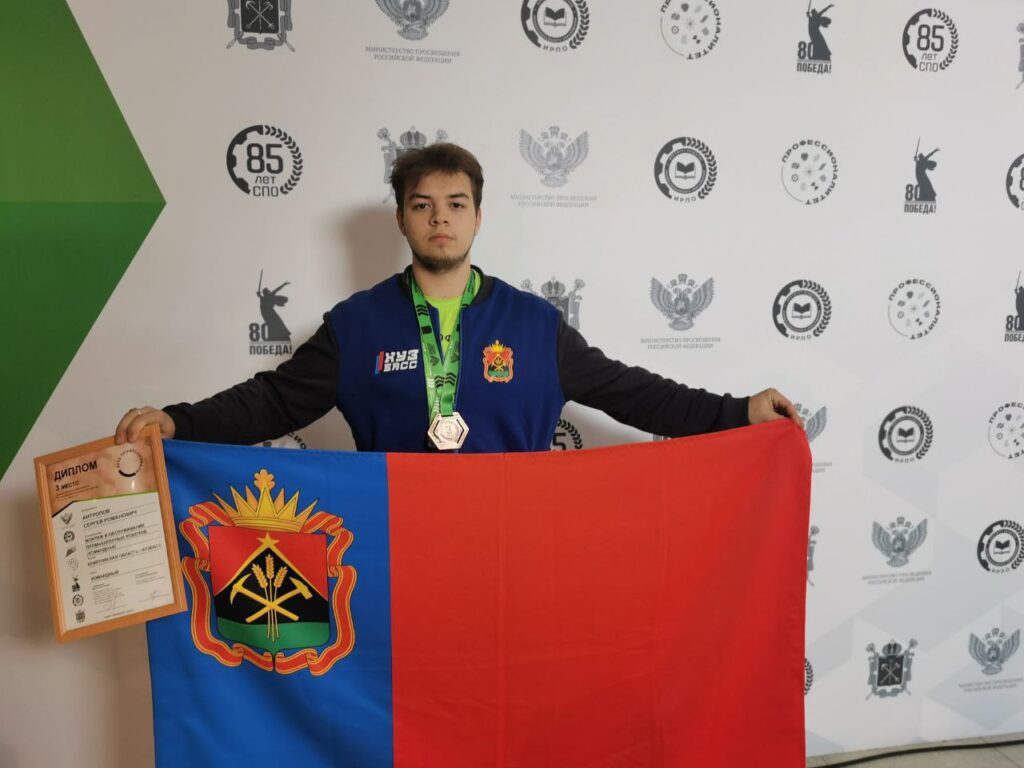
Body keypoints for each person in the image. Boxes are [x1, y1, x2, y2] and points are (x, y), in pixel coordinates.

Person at [115, 143, 802, 452]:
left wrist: (737, 412)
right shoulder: (356, 326)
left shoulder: (534, 326)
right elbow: (271, 401)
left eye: (456, 203)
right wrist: (178, 422)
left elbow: (634, 394)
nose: (439, 218)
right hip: (394, 556)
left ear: (477, 218)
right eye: (422, 205)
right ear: (402, 219)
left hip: (515, 556)